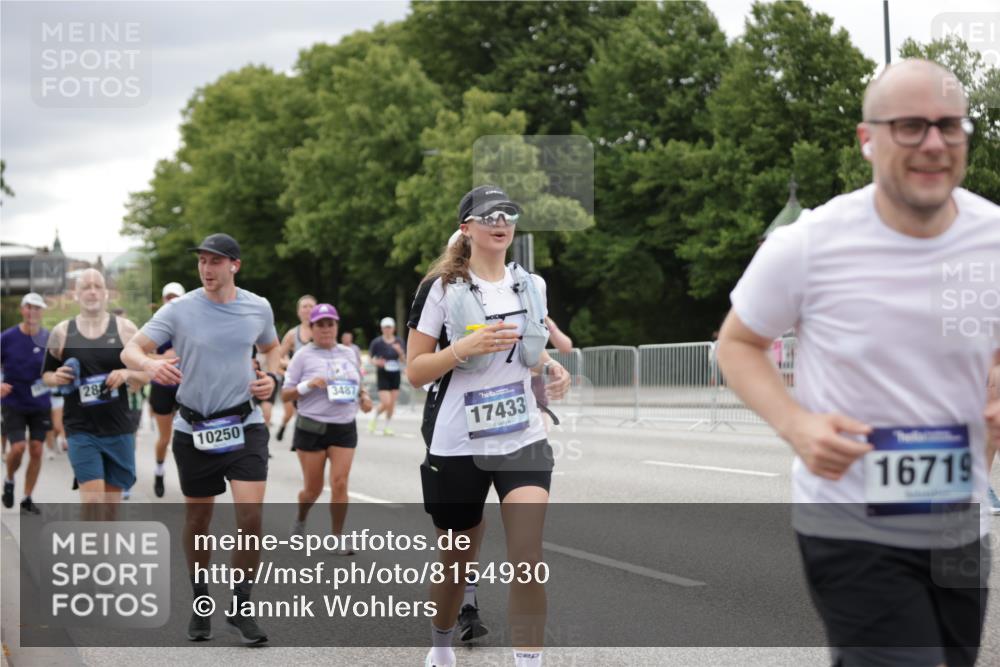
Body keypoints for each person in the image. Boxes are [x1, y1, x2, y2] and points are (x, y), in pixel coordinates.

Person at [716, 60, 999, 667]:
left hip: (959, 529)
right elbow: (736, 345)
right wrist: (797, 425)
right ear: (867, 139)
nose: (933, 143)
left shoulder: (993, 239)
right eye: (910, 126)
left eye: (950, 126)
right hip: (851, 528)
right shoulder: (810, 244)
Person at [407, 185, 570, 667]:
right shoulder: (438, 289)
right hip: (458, 443)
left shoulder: (532, 285)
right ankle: (440, 646)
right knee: (456, 564)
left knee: (528, 559)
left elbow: (528, 348)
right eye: (488, 215)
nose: (500, 222)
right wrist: (461, 350)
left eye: (508, 214)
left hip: (523, 437)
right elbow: (415, 370)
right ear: (466, 228)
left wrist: (549, 367)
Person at [122, 233, 280, 645]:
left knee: (251, 516)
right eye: (202, 262)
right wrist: (150, 365)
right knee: (198, 520)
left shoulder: (257, 307)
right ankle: (201, 602)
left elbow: (273, 348)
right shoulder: (181, 310)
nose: (207, 270)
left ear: (234, 265)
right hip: (194, 429)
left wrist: (271, 378)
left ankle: (241, 606)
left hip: (244, 425)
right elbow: (131, 350)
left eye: (215, 262)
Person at [42, 271, 148, 515]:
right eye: (86, 287)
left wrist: (126, 374)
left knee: (110, 510)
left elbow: (146, 374)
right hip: (80, 429)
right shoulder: (62, 331)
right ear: (77, 295)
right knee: (92, 502)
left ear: (106, 293)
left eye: (97, 286)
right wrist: (55, 377)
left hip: (118, 428)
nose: (92, 291)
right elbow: (46, 376)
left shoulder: (125, 329)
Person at [282, 303, 373, 545]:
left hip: (343, 426)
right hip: (312, 427)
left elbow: (358, 384)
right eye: (320, 325)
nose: (325, 329)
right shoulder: (302, 356)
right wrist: (309, 384)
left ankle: (337, 536)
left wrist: (364, 397)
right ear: (311, 328)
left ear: (336, 326)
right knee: (313, 489)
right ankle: (301, 517)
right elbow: (285, 395)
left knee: (340, 482)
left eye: (330, 324)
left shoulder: (348, 352)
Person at [1, 293, 52, 514]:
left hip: (40, 402)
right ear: (23, 310)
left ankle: (28, 498)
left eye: (37, 308)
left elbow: (57, 366)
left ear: (41, 312)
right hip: (13, 401)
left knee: (37, 449)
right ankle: (10, 479)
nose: (33, 312)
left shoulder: (49, 339)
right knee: (19, 447)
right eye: (29, 307)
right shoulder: (7, 337)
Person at [147, 281, 185, 497]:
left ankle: (189, 476)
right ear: (163, 300)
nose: (172, 301)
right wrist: (162, 358)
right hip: (162, 386)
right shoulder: (155, 325)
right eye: (168, 297)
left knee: (187, 436)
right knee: (165, 437)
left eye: (176, 297)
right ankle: (159, 470)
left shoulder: (192, 324)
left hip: (185, 386)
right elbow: (141, 354)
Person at [276, 295, 316, 441]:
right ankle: (283, 426)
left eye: (311, 306)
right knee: (289, 413)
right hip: (294, 381)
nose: (307, 310)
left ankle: (300, 440)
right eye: (304, 306)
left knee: (307, 412)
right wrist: (287, 367)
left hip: (314, 382)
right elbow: (277, 357)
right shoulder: (293, 334)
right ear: (298, 312)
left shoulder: (322, 332)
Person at [368, 317, 406, 436]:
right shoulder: (377, 342)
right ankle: (375, 417)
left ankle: (387, 427)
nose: (387, 330)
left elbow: (403, 359)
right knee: (386, 402)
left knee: (392, 403)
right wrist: (376, 362)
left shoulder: (399, 341)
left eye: (389, 327)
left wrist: (399, 351)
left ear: (393, 328)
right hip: (383, 374)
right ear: (382, 329)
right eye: (385, 327)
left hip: (395, 374)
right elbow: (370, 359)